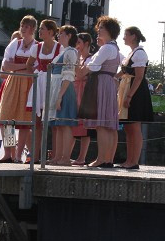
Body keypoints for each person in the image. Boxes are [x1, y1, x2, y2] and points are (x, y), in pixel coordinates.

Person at [77, 15, 121, 168]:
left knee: (102, 124)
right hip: (108, 82)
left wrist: (82, 70)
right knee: (107, 124)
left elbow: (94, 66)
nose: (99, 30)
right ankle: (107, 158)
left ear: (109, 30)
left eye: (101, 28)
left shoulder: (107, 48)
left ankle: (102, 158)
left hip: (101, 82)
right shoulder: (114, 48)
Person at [0, 16, 38, 163]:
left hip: (28, 83)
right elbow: (6, 66)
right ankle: (9, 153)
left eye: (25, 26)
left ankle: (18, 155)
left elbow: (35, 69)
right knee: (7, 116)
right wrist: (25, 66)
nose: (22, 28)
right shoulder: (15, 43)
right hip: (13, 82)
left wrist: (18, 66)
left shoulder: (37, 46)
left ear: (32, 28)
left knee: (24, 119)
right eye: (22, 25)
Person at [117, 26, 154, 169]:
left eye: (126, 35)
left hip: (136, 92)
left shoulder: (140, 54)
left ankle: (134, 161)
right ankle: (129, 159)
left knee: (134, 127)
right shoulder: (131, 53)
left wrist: (129, 96)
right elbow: (123, 71)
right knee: (128, 128)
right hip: (127, 88)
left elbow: (139, 77)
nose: (124, 37)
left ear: (133, 36)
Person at [26, 19, 61, 161]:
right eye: (40, 29)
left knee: (53, 122)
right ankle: (35, 156)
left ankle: (55, 156)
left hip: (52, 83)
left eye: (42, 29)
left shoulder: (59, 48)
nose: (39, 31)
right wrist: (33, 77)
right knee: (37, 121)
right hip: (40, 82)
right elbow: (29, 64)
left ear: (51, 32)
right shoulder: (37, 47)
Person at [49, 25, 79, 165]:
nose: (58, 36)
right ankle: (58, 156)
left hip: (65, 89)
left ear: (69, 36)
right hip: (58, 87)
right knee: (59, 124)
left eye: (61, 34)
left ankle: (65, 157)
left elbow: (68, 75)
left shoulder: (71, 52)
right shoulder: (64, 51)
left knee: (65, 124)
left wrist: (60, 96)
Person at [70, 32, 93, 166]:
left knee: (84, 126)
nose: (77, 45)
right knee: (72, 124)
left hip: (84, 92)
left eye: (79, 42)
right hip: (75, 90)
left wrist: (77, 57)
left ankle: (82, 157)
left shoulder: (90, 59)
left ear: (86, 44)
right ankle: (68, 154)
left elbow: (79, 74)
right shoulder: (79, 59)